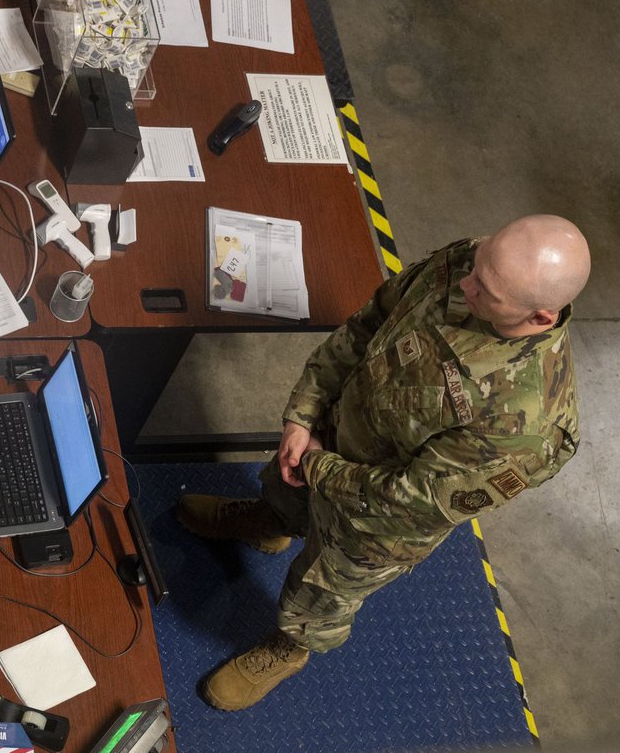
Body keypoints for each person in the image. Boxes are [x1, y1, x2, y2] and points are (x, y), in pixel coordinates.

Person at [177, 214, 590, 710]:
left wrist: (316, 466)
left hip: (376, 522)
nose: (465, 283)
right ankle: (271, 523)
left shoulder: (526, 424)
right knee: (284, 491)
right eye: (477, 266)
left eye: (485, 289)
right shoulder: (477, 263)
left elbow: (408, 501)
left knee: (324, 589)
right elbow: (371, 321)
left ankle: (290, 647)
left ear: (541, 317)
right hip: (337, 430)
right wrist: (304, 413)